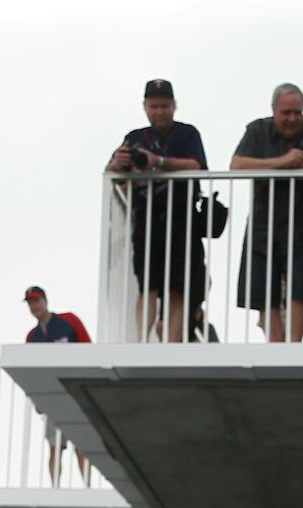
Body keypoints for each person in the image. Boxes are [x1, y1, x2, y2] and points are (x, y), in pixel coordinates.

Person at [109, 79, 210, 342]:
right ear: (145, 107)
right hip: (146, 218)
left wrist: (160, 162)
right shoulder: (134, 138)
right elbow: (110, 175)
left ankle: (173, 341)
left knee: (178, 287)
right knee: (148, 286)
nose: (159, 111)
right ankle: (144, 340)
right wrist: (116, 163)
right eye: (154, 106)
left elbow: (198, 166)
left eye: (164, 106)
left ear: (174, 106)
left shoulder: (187, 134)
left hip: (182, 218)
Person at [234, 84, 303, 343]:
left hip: (299, 218)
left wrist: (266, 172)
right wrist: (282, 162)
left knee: (299, 285)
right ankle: (275, 344)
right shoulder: (257, 129)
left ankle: (294, 344)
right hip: (264, 220)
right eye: (286, 112)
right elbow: (238, 165)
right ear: (273, 110)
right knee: (265, 286)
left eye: (297, 112)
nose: (292, 118)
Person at [23, 287, 87, 477]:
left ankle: (87, 486)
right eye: (30, 303)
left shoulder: (68, 321)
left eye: (36, 301)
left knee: (82, 443)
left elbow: (88, 349)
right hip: (52, 396)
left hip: (75, 391)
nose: (34, 306)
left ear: (45, 300)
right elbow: (31, 372)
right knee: (55, 446)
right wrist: (37, 399)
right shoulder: (32, 337)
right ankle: (56, 486)